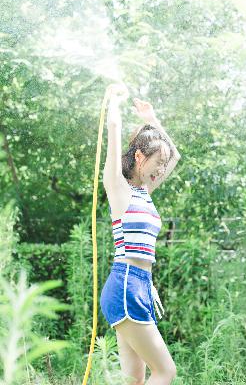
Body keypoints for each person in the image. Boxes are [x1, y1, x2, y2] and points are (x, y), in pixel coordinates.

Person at [100, 83, 181, 385]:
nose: (161, 170)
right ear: (138, 157)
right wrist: (115, 100)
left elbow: (175, 156)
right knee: (165, 371)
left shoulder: (144, 192)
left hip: (139, 286)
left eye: (162, 166)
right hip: (125, 286)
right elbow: (114, 128)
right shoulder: (119, 189)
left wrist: (153, 120)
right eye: (156, 163)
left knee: (135, 380)